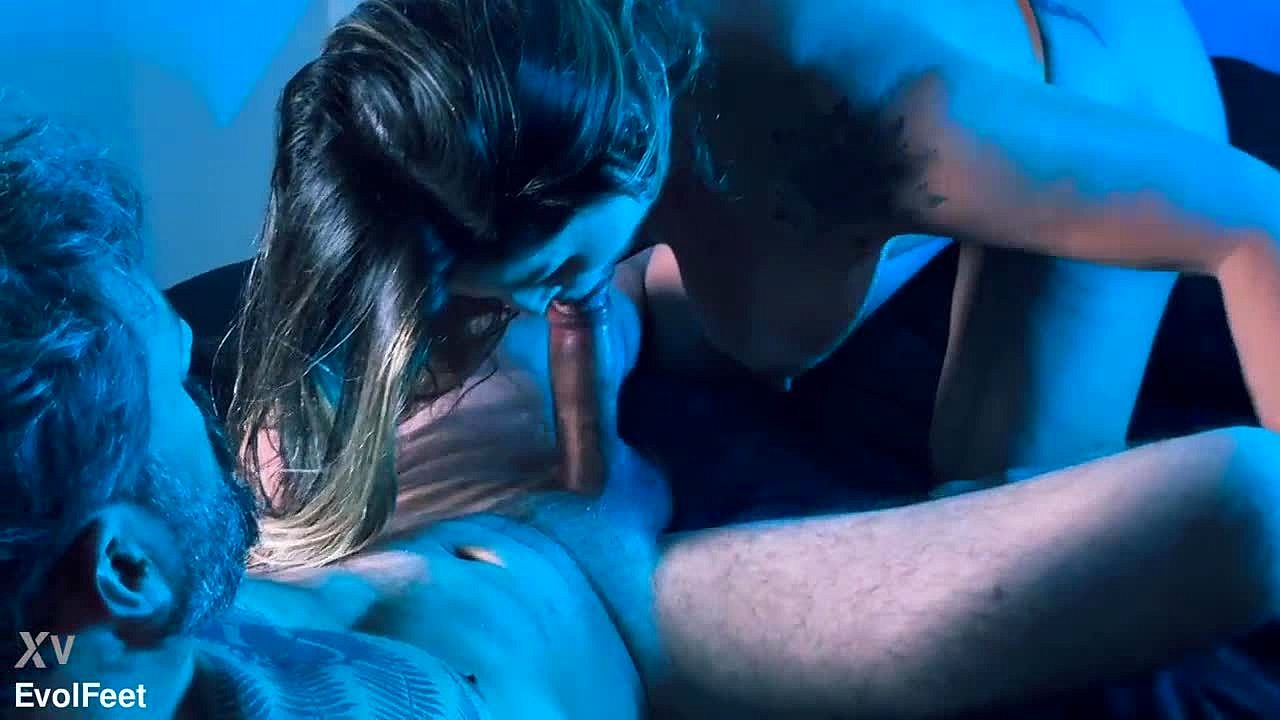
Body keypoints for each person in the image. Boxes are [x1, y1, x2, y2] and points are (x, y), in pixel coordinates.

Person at [0, 119, 642, 720]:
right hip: (610, 616)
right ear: (125, 569)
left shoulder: (74, 652)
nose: (199, 375)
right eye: (175, 381)